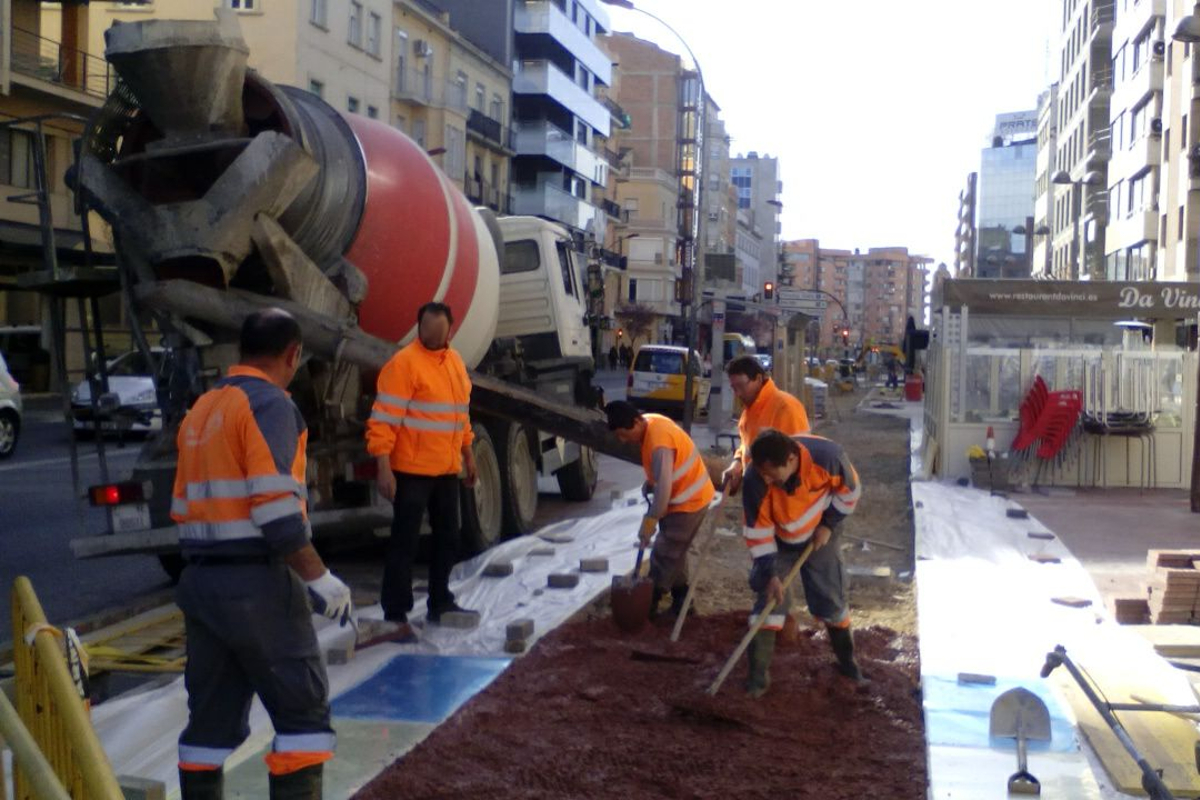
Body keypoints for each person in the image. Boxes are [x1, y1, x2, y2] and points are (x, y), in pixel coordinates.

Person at [171, 308, 352, 800]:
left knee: (208, 724)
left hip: (202, 583)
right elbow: (275, 509)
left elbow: (182, 507)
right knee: (303, 717)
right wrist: (318, 578)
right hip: (258, 584)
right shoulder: (272, 406)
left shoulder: (203, 408)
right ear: (292, 355)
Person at [367, 302, 477, 640]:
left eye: (440, 334)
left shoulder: (455, 363)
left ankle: (440, 600)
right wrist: (383, 467)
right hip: (412, 470)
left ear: (450, 332)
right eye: (428, 332)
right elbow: (383, 420)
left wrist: (468, 455)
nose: (433, 338)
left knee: (449, 538)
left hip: (445, 469)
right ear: (419, 328)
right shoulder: (403, 365)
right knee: (405, 541)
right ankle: (395, 610)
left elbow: (461, 416)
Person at [743, 428, 863, 696]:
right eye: (762, 473)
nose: (766, 479)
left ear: (790, 460)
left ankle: (848, 665)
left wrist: (829, 525)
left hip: (820, 533)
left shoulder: (829, 457)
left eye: (771, 474)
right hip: (778, 542)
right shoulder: (754, 479)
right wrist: (770, 574)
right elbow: (758, 532)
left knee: (831, 599)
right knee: (769, 603)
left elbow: (850, 493)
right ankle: (757, 681)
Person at [605, 400, 715, 616]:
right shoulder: (651, 422)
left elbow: (663, 493)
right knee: (676, 553)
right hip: (685, 495)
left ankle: (648, 603)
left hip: (689, 500)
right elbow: (663, 475)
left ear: (636, 422)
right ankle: (683, 601)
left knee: (664, 553)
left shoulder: (658, 443)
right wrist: (651, 483)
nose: (623, 440)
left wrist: (649, 523)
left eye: (624, 434)